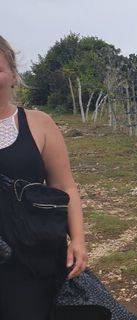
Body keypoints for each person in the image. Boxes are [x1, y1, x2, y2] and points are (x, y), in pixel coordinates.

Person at [0, 35, 89, 319]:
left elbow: (65, 186)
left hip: (34, 254)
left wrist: (77, 240)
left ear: (13, 75)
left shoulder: (39, 124)